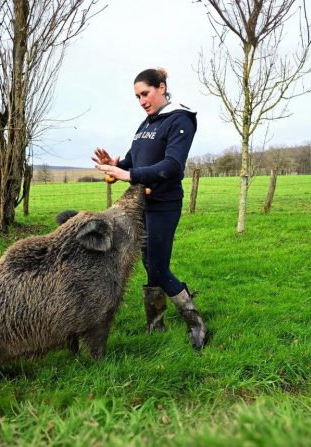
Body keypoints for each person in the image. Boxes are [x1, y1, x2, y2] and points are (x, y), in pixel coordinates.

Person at [92, 68, 208, 351]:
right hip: (141, 205)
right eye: (137, 97)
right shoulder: (146, 125)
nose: (142, 100)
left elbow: (172, 166)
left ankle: (196, 322)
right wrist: (117, 165)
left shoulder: (180, 119)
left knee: (158, 265)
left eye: (145, 93)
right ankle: (155, 326)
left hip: (164, 205)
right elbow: (133, 160)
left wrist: (127, 176)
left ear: (162, 87)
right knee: (149, 264)